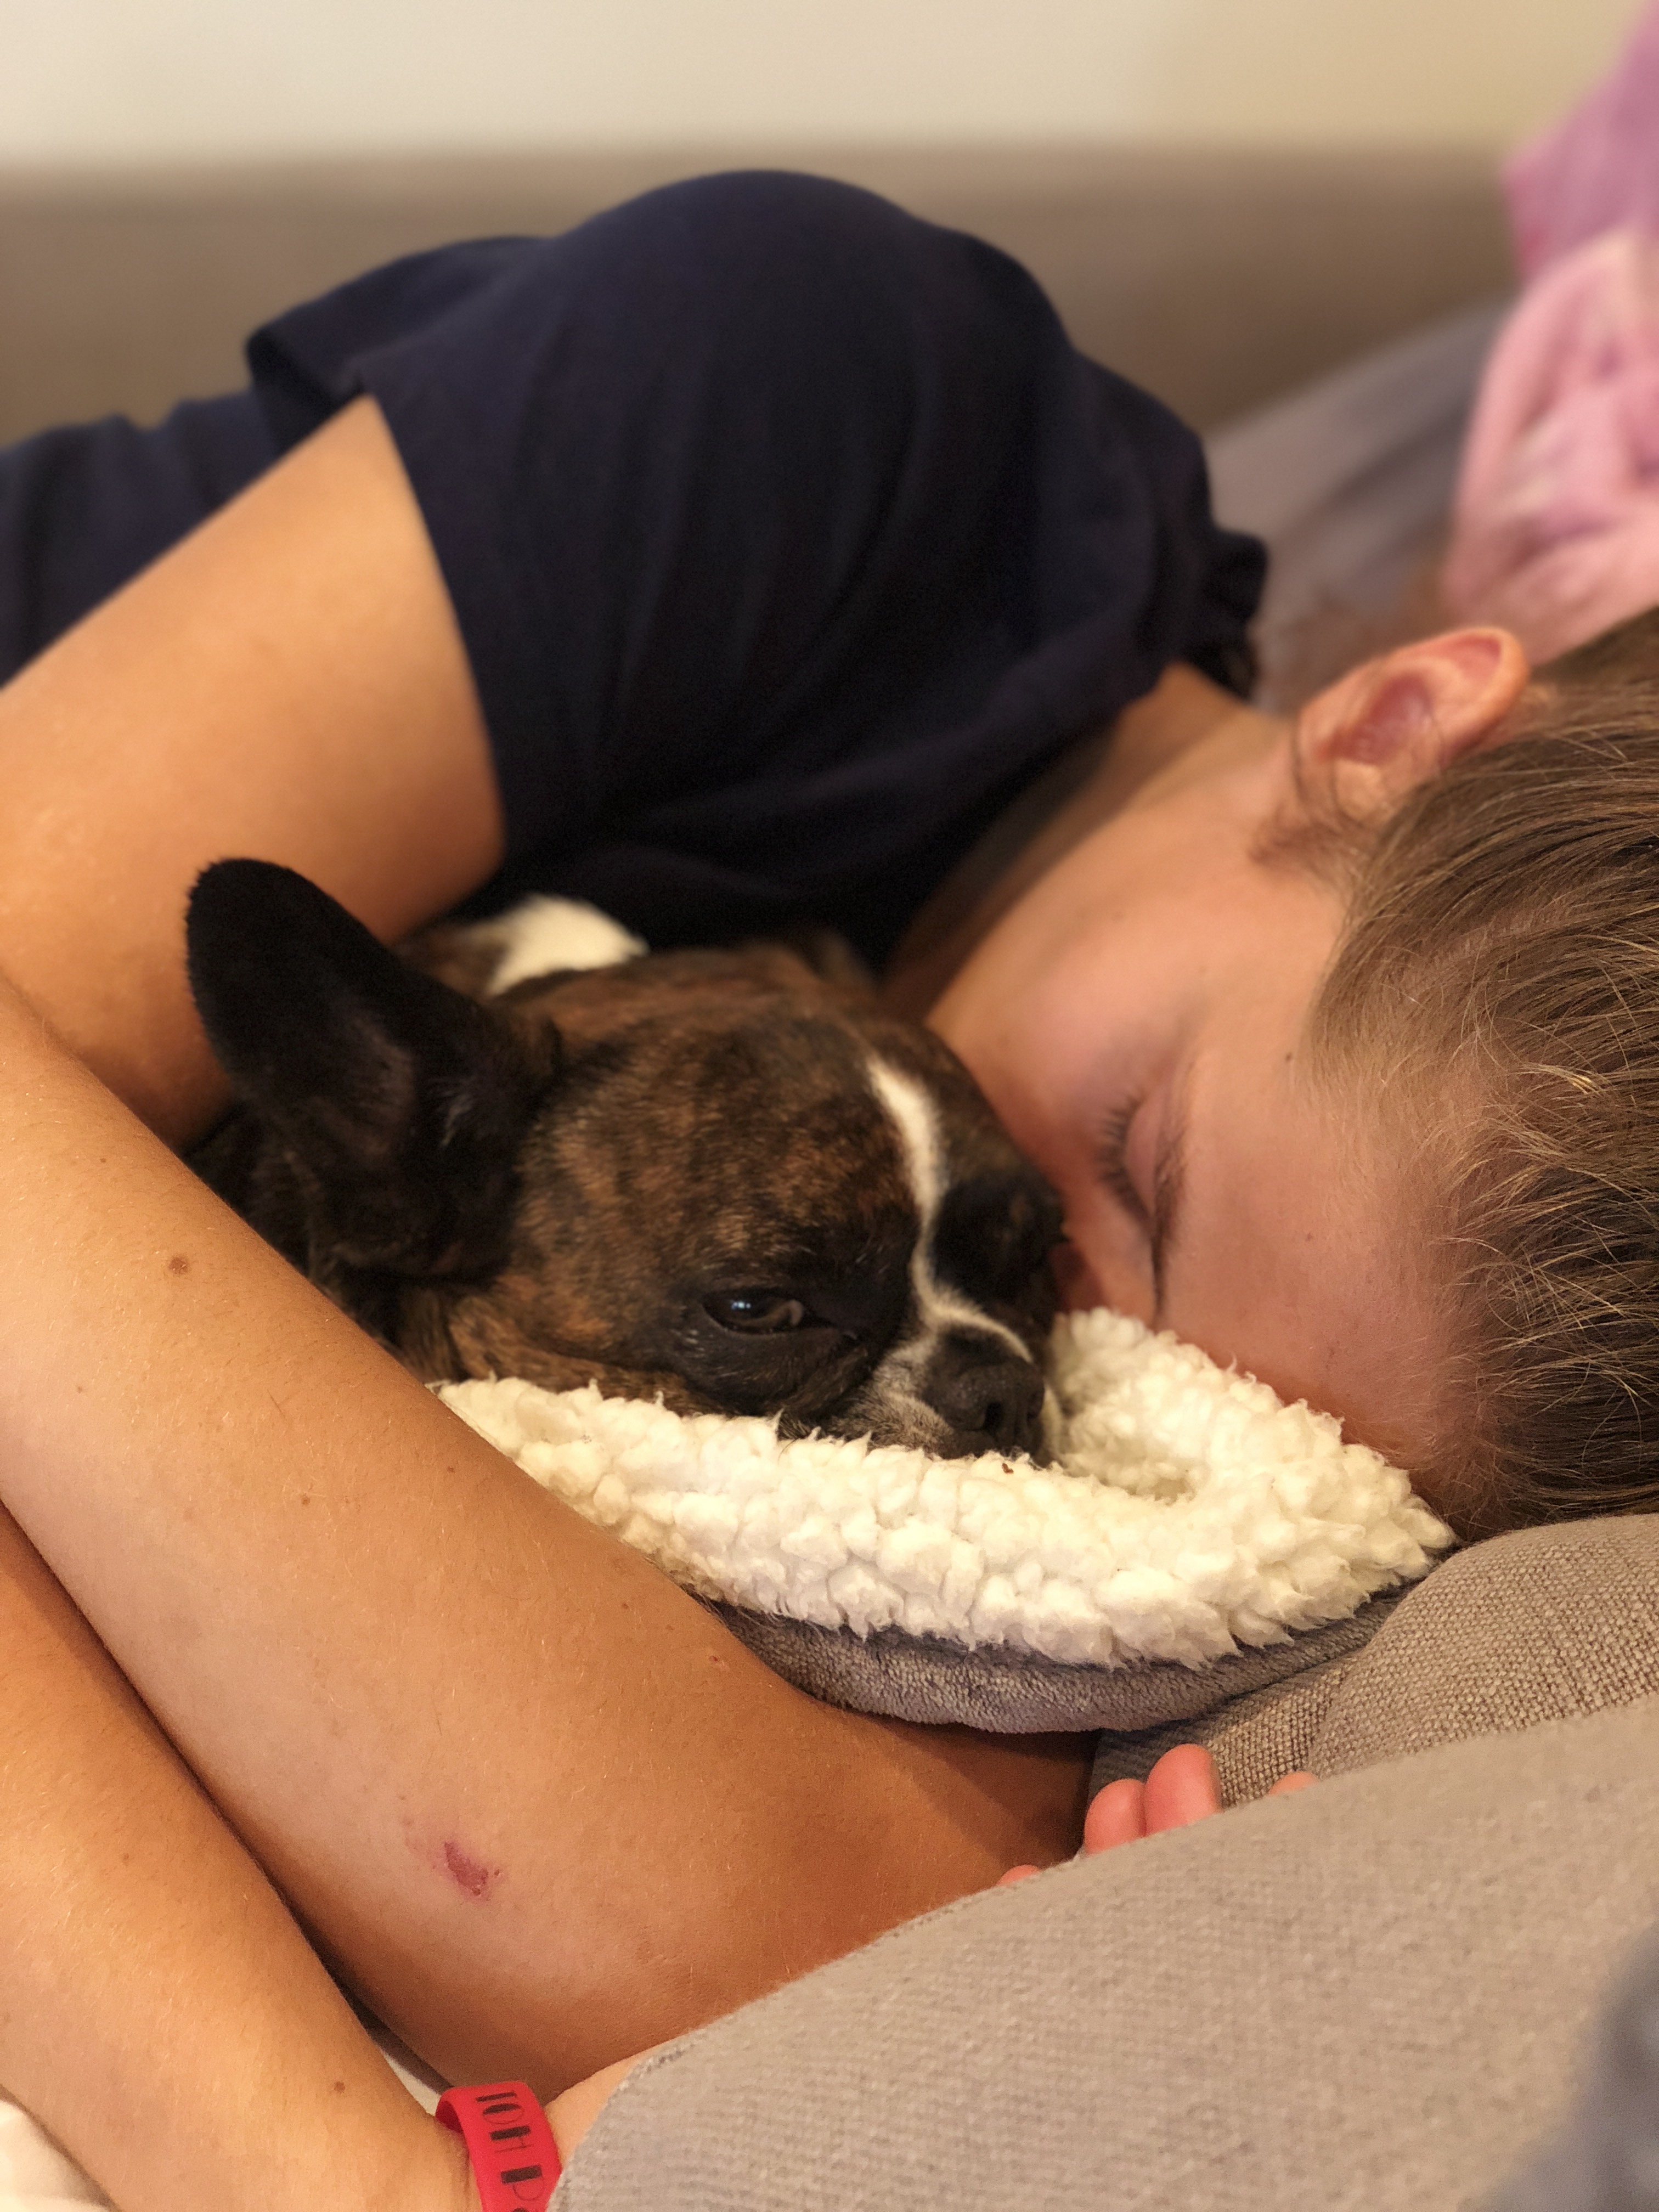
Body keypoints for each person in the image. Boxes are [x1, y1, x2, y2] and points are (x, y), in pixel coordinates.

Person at [0, 167, 1656, 2210]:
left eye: (1222, 1416)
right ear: (1396, 727)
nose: (1082, 1331)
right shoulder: (836, 410)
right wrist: (301, 2163)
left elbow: (741, 1925)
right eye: (1140, 1165)